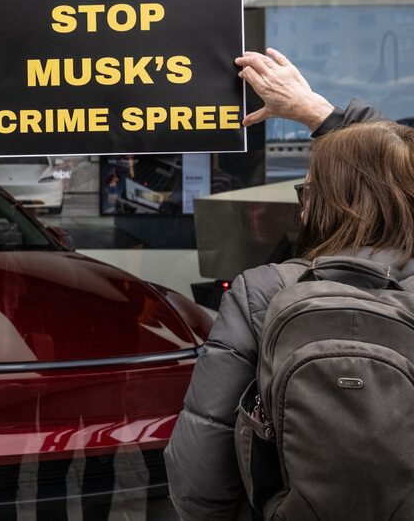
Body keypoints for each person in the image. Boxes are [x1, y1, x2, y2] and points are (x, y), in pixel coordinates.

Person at [163, 48, 408, 520]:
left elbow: (200, 463)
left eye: (308, 190)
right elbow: (396, 169)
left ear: (329, 203)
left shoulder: (263, 290)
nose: (301, 206)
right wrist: (320, 113)